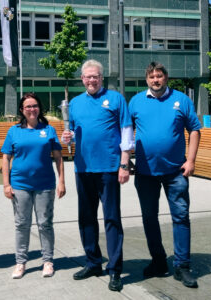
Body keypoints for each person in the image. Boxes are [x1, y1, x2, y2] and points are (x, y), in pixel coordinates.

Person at [62, 59, 134, 292]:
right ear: (82, 79)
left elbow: (126, 133)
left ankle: (114, 269)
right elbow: (72, 133)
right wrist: (67, 138)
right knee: (86, 219)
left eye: (95, 76)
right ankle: (93, 262)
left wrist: (124, 165)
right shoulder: (74, 103)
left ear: (101, 78)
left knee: (112, 218)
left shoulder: (115, 99)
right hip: (83, 169)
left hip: (109, 168)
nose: (91, 80)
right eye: (87, 76)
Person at [128, 62, 201, 288]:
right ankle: (159, 262)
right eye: (151, 77)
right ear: (146, 80)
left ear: (166, 77)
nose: (155, 80)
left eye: (159, 76)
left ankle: (182, 266)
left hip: (176, 172)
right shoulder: (136, 101)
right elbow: (124, 131)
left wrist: (190, 160)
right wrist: (126, 161)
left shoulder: (181, 100)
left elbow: (195, 129)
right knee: (149, 219)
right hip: (145, 172)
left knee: (181, 217)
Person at [2, 93, 66, 279]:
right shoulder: (14, 131)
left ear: (40, 108)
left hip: (45, 185)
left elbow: (58, 157)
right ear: (22, 110)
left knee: (45, 224)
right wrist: (6, 184)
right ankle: (20, 262)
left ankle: (48, 261)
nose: (32, 109)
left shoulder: (49, 130)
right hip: (20, 185)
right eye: (28, 106)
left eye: (35, 106)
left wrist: (62, 181)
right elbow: (6, 158)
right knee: (22, 224)